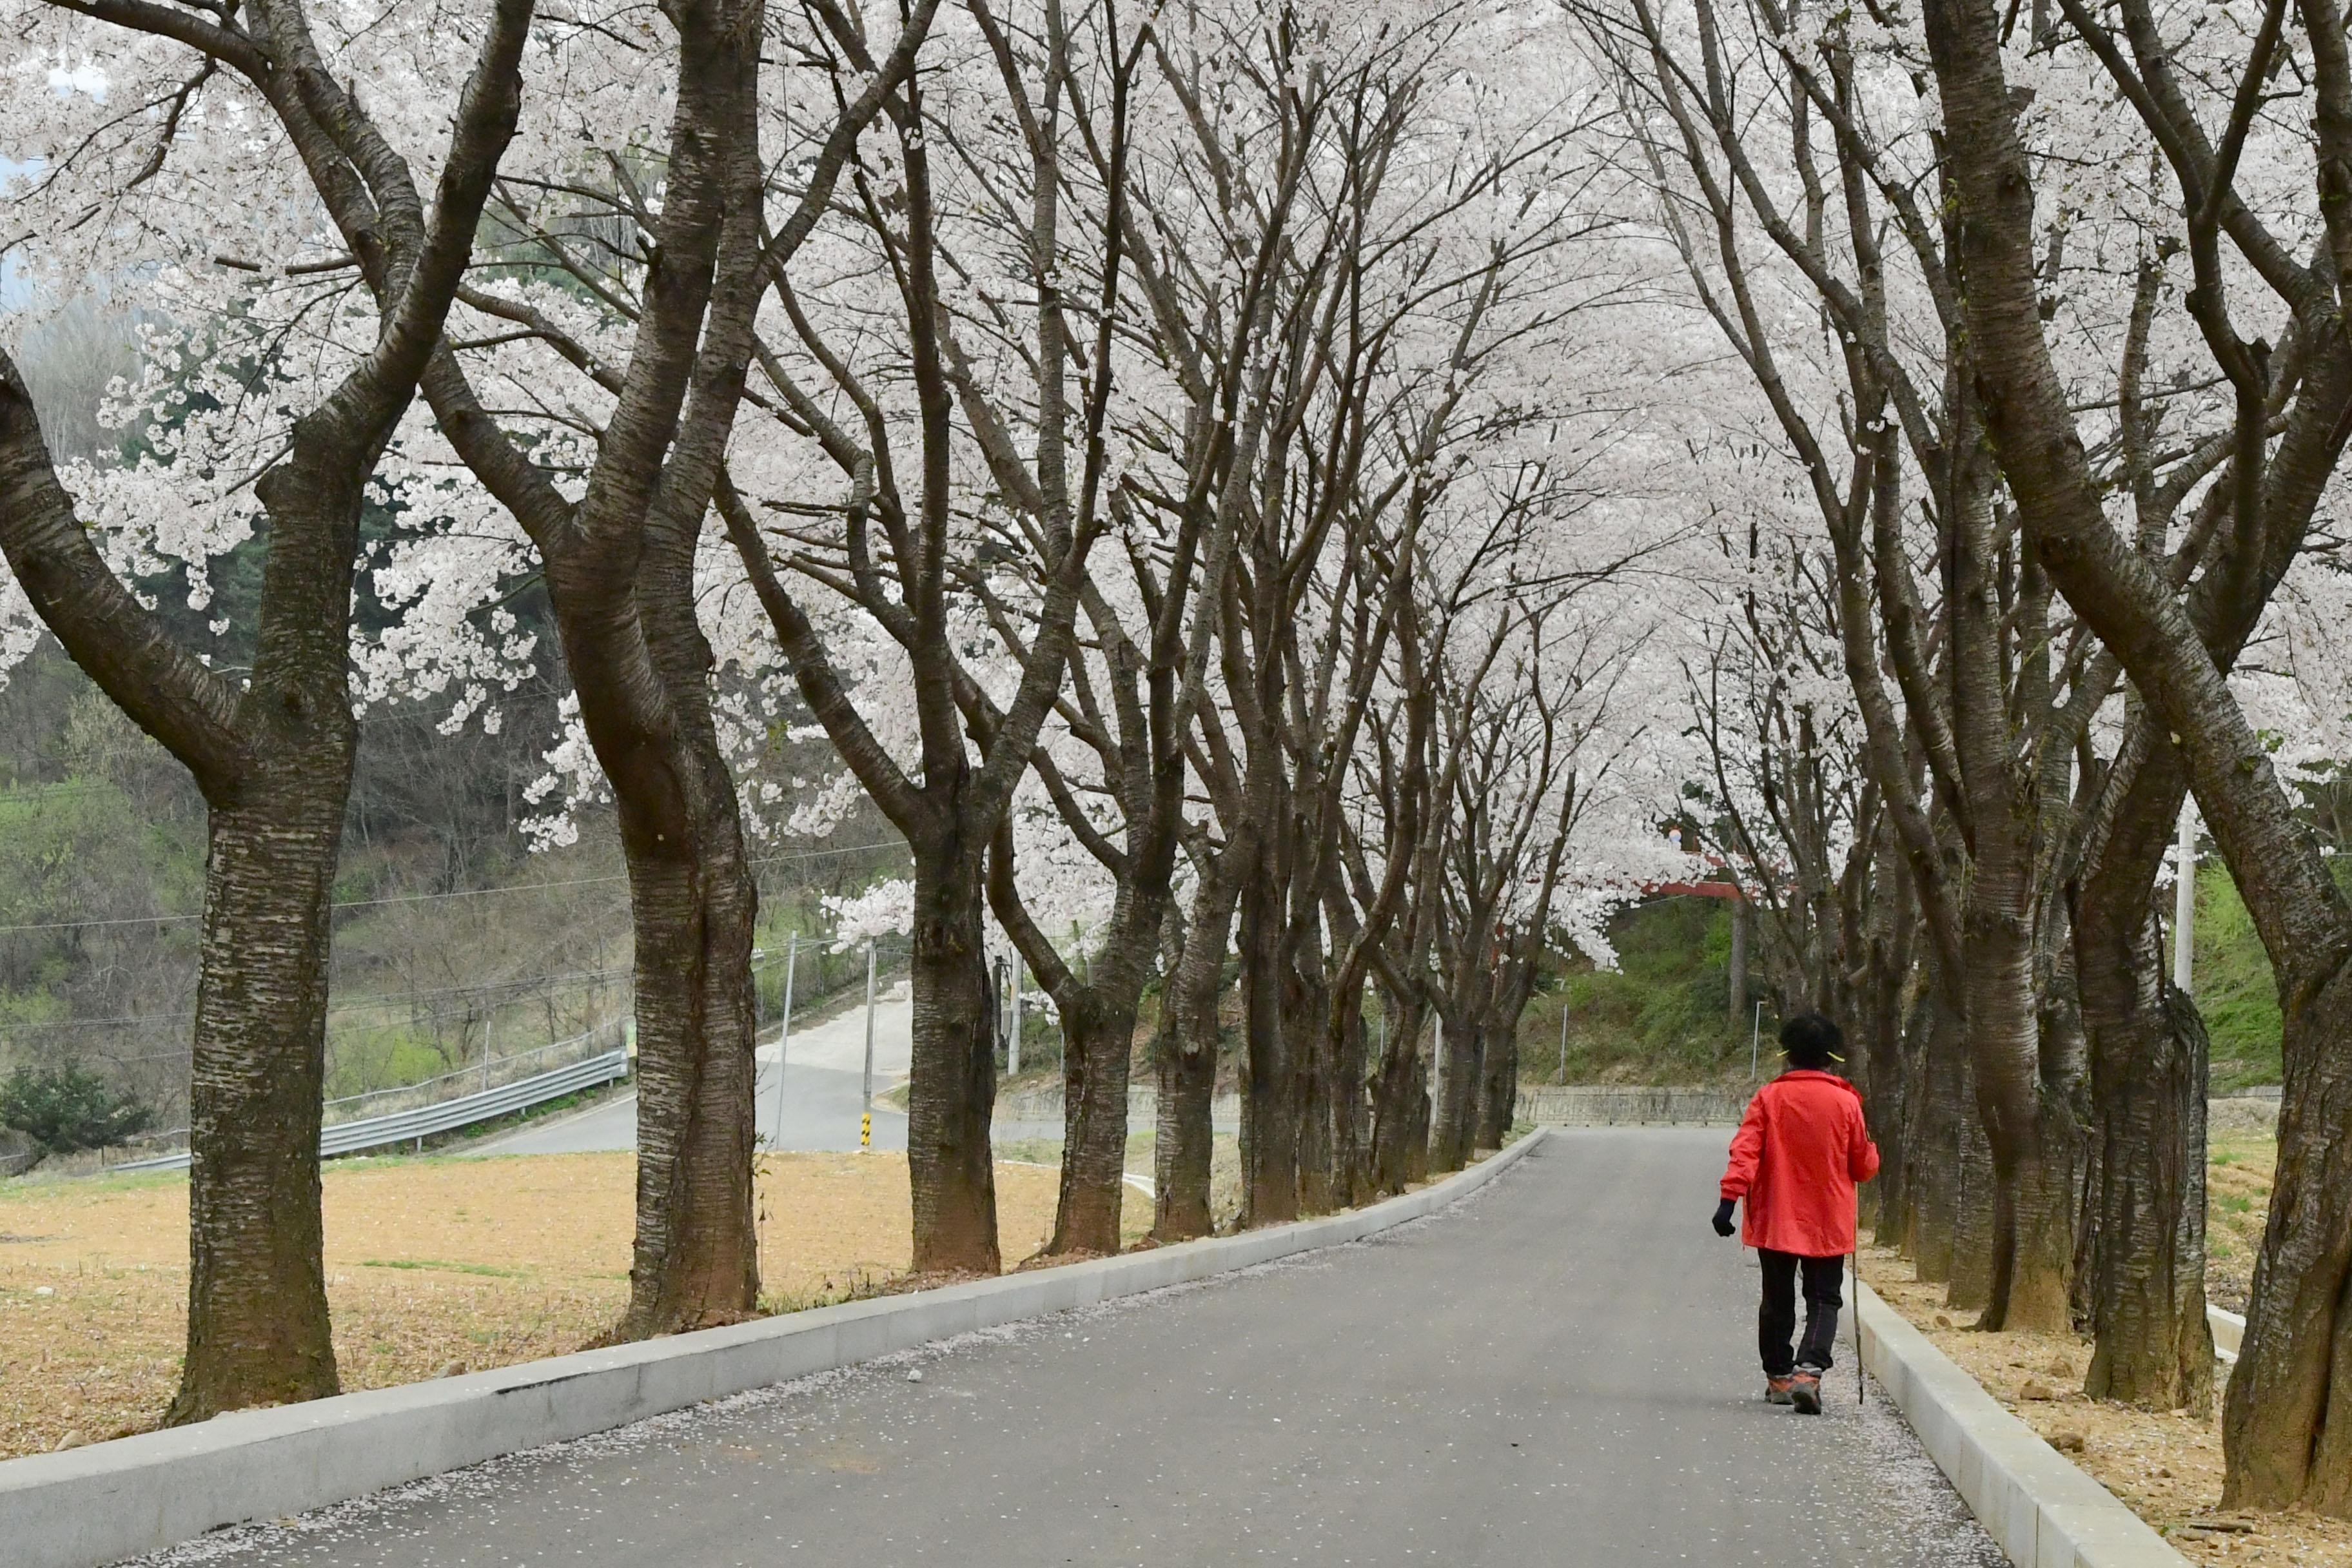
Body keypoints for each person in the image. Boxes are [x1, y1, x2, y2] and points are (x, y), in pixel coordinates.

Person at [1711, 1012, 1880, 1415]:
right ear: (1831, 1057)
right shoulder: (1846, 1101)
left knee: (1777, 1297)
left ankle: (1779, 1377)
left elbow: (1746, 1151)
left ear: (1788, 1054)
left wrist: (1728, 1201)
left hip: (1776, 1215)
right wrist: (1872, 1154)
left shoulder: (1769, 1098)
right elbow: (1863, 1167)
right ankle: (1810, 1371)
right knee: (1824, 1297)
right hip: (1828, 1217)